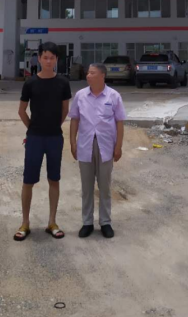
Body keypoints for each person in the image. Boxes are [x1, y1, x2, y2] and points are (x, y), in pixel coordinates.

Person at [15, 41, 72, 242]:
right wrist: (32, 128)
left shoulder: (63, 83)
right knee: (28, 181)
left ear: (57, 60)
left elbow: (65, 110)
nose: (48, 61)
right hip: (35, 139)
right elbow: (21, 110)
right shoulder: (30, 83)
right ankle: (25, 223)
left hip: (55, 138)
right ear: (39, 59)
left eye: (52, 58)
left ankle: (52, 222)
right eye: (45, 57)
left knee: (54, 179)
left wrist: (54, 126)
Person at [69, 62, 126, 239]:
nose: (88, 75)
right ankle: (87, 222)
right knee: (86, 187)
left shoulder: (113, 96)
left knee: (104, 187)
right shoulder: (80, 96)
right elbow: (74, 119)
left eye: (92, 73)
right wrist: (72, 142)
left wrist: (118, 146)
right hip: (85, 145)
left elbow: (119, 122)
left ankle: (105, 222)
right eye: (88, 73)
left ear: (102, 76)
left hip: (106, 146)